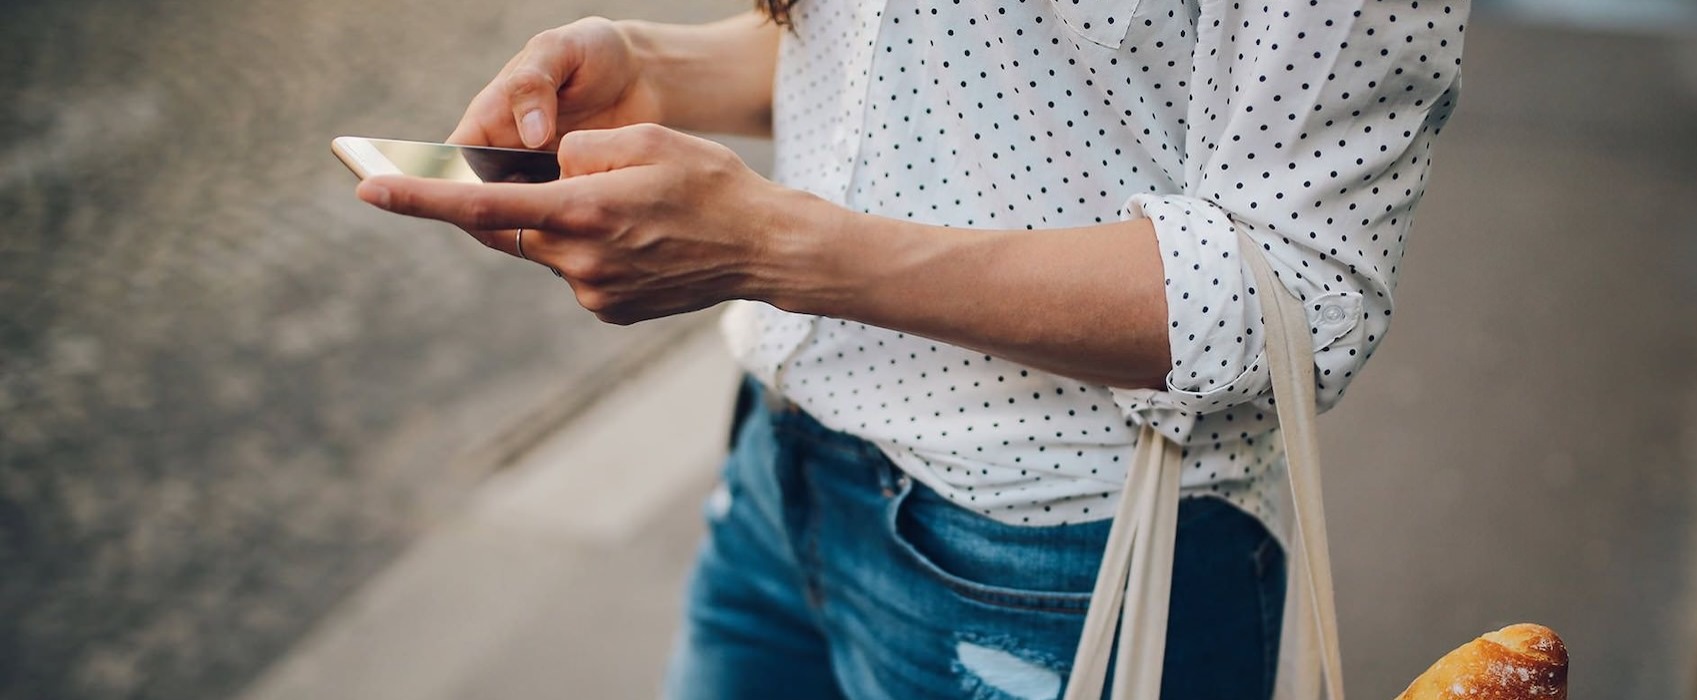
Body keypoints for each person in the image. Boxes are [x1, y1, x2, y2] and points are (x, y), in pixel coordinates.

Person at [356, 1, 1469, 697]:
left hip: (1060, 552)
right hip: (778, 474)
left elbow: (1302, 283)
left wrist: (778, 245)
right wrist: (651, 65)